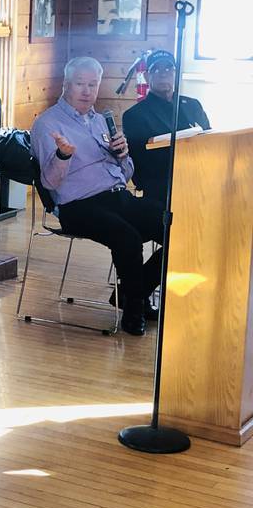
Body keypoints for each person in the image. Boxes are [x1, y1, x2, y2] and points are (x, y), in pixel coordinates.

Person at [30, 57, 164, 336]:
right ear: (66, 85)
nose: (87, 91)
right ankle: (134, 309)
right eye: (80, 84)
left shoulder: (101, 120)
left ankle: (129, 293)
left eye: (92, 84)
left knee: (172, 226)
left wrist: (123, 155)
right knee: (127, 237)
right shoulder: (48, 124)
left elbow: (126, 173)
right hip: (77, 205)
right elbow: (49, 182)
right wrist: (63, 155)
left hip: (116, 196)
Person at [123, 49, 212, 206]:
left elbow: (210, 141)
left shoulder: (193, 105)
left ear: (175, 74)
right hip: (162, 188)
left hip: (200, 180)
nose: (163, 74)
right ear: (146, 76)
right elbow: (141, 161)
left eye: (168, 69)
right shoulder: (135, 115)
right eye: (156, 69)